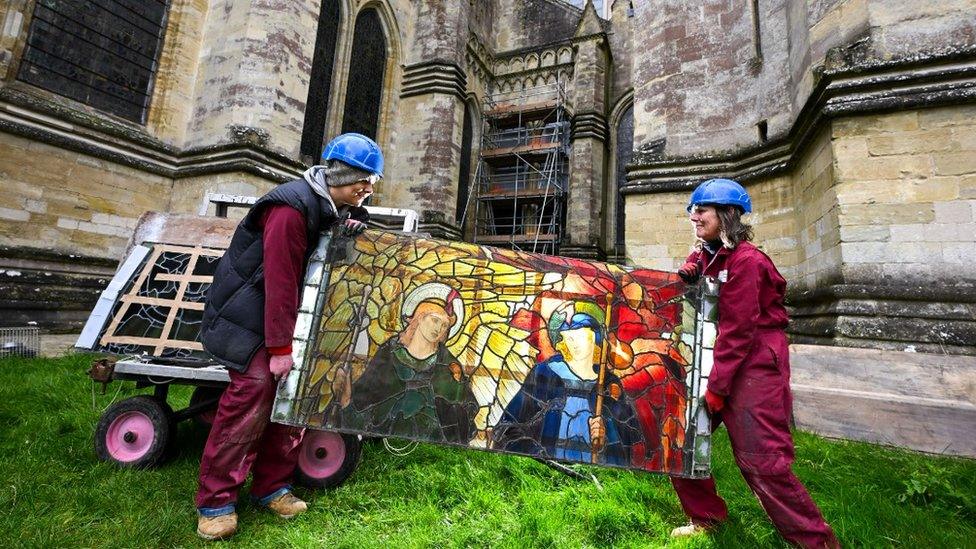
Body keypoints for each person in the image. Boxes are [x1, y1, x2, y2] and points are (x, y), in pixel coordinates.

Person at [194, 133, 384, 541]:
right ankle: (216, 501)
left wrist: (353, 222)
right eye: (363, 180)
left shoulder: (332, 204)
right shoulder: (289, 207)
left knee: (299, 393)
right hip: (247, 316)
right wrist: (280, 349)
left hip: (288, 316)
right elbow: (280, 283)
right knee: (257, 389)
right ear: (340, 175)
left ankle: (272, 486)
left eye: (373, 181)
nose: (368, 189)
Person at [669, 178, 840, 548]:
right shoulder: (712, 252)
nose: (694, 216)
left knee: (762, 462)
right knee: (681, 439)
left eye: (702, 210)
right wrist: (686, 269)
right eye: (692, 210)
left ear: (726, 215)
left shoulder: (748, 262)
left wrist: (716, 389)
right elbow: (699, 258)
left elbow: (739, 330)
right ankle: (707, 518)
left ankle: (816, 543)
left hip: (755, 364)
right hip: (722, 358)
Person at [494, 303, 642, 465]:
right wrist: (539, 456)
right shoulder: (545, 374)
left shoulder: (608, 383)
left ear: (595, 337)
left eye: (580, 335)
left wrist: (606, 433)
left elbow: (629, 438)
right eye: (568, 337)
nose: (575, 343)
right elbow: (509, 426)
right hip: (545, 471)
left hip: (592, 479)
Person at [336, 283, 479, 444]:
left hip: (431, 441)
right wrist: (346, 399)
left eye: (445, 325)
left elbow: (465, 408)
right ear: (419, 317)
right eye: (435, 320)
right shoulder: (390, 354)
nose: (439, 328)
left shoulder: (449, 366)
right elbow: (365, 398)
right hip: (381, 435)